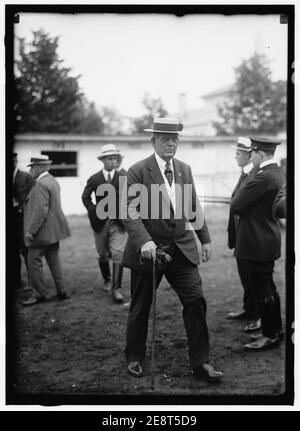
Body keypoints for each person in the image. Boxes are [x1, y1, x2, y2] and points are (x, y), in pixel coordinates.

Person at [122, 117, 223, 382]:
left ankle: (201, 363)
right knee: (141, 305)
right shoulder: (137, 171)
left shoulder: (184, 169)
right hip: (149, 251)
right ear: (153, 141)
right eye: (164, 138)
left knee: (195, 301)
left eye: (174, 138)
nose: (170, 143)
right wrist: (144, 240)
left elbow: (193, 206)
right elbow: (129, 210)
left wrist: (206, 239)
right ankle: (134, 356)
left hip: (182, 250)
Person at [231, 137, 284, 350]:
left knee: (262, 290)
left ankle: (270, 335)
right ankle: (275, 330)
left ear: (260, 154)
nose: (249, 157)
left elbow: (236, 204)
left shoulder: (263, 177)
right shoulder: (276, 173)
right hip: (266, 240)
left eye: (251, 153)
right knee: (268, 287)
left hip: (256, 242)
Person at [81, 144, 127, 304]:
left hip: (119, 223)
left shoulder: (123, 177)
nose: (112, 161)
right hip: (100, 223)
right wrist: (94, 210)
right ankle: (107, 279)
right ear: (103, 160)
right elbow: (85, 198)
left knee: (118, 254)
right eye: (109, 159)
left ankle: (117, 288)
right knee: (102, 253)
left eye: (115, 158)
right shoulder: (94, 179)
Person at [22, 155, 71, 306]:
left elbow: (40, 211)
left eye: (32, 167)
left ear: (40, 168)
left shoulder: (40, 184)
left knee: (33, 263)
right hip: (54, 232)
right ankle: (62, 291)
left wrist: (31, 231)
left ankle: (38, 294)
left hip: (41, 233)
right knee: (54, 261)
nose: (30, 170)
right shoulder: (52, 181)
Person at [227, 138, 261, 333]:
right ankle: (249, 309)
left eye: (238, 153)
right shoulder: (244, 174)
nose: (235, 156)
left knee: (254, 277)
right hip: (241, 234)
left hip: (251, 235)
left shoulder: (255, 175)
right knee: (244, 275)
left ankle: (259, 315)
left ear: (249, 155)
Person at [12, 152, 35, 289]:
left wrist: (22, 207)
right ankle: (15, 281)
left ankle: (33, 281)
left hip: (22, 217)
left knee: (26, 249)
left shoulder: (26, 177)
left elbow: (33, 196)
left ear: (15, 161)